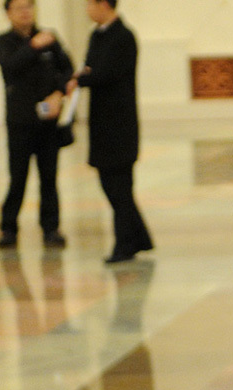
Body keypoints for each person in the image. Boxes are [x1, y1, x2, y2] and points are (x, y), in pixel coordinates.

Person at [67, 0, 151, 263]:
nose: (87, 10)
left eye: (89, 4)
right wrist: (84, 75)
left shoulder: (123, 37)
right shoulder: (97, 35)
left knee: (119, 186)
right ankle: (139, 238)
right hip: (101, 122)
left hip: (120, 123)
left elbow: (105, 72)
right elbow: (91, 66)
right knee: (111, 184)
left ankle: (125, 245)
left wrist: (80, 78)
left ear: (103, 4)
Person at [0, 0, 72, 249]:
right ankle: (9, 227)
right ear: (8, 13)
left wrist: (58, 94)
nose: (25, 12)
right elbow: (10, 66)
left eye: (29, 7)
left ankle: (51, 227)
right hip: (20, 122)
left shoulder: (49, 37)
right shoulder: (4, 42)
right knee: (18, 176)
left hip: (48, 122)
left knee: (49, 177)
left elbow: (67, 69)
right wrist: (32, 46)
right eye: (19, 8)